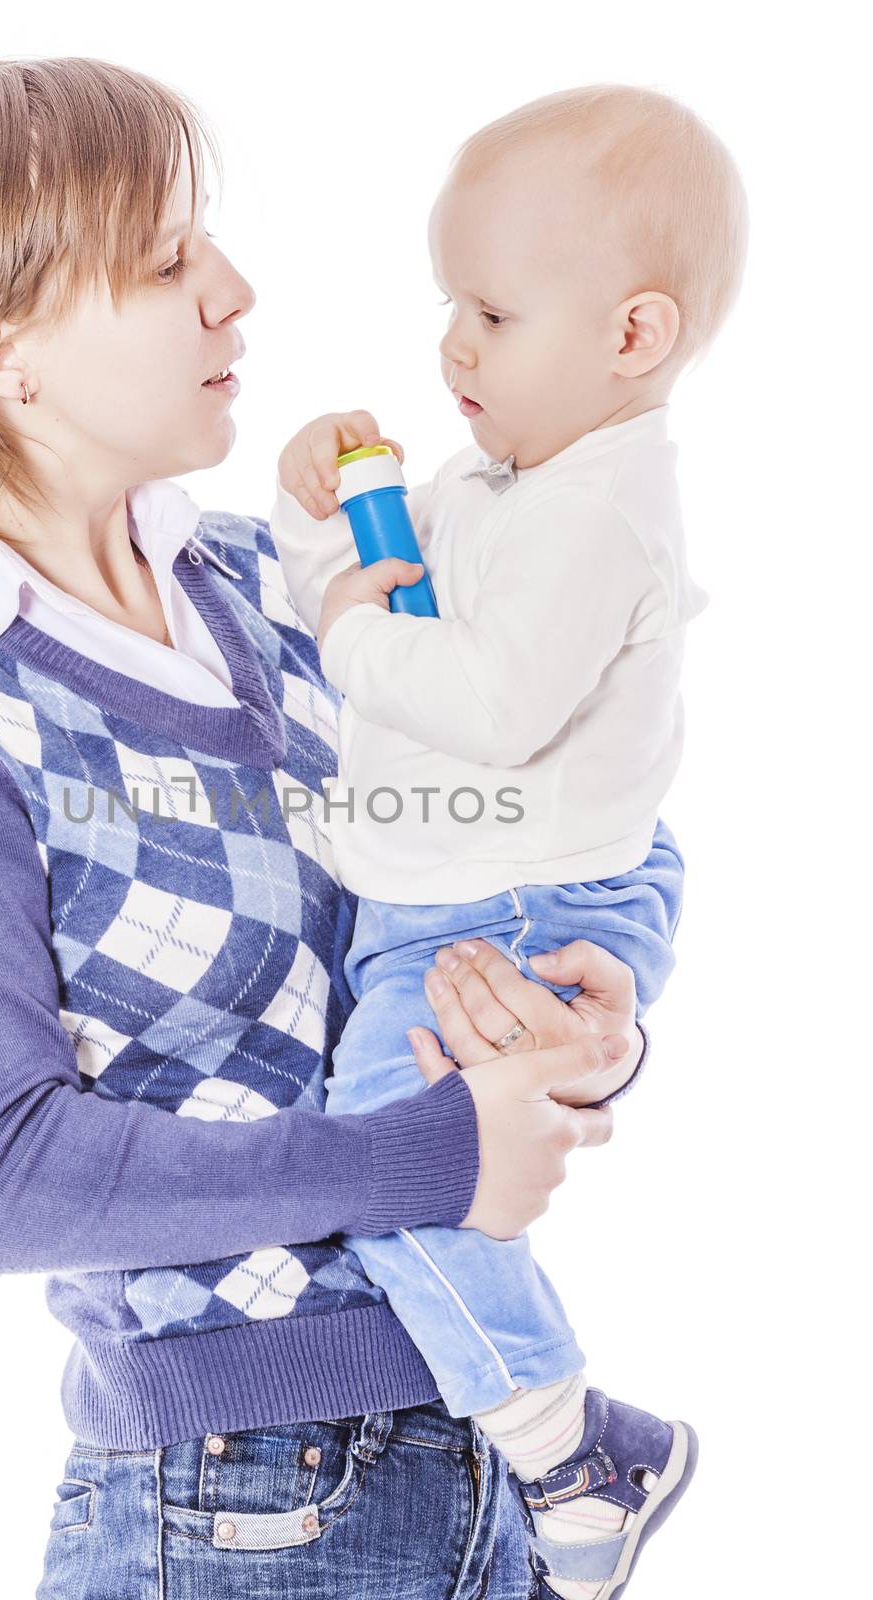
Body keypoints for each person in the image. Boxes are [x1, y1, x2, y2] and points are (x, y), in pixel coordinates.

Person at [0, 57, 645, 1598]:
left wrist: (593, 1015)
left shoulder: (276, 591)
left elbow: (544, 821)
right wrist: (430, 1158)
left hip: (487, 1452)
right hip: (240, 1507)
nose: (235, 293)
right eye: (169, 261)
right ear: (10, 354)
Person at [269, 85, 747, 1599]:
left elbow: (478, 698)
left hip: (513, 902)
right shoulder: (507, 482)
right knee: (391, 1164)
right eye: (447, 307)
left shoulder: (597, 514)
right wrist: (319, 531)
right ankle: (564, 1430)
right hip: (458, 884)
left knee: (402, 1172)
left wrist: (348, 622)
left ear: (633, 336)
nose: (450, 349)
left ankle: (567, 1441)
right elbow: (381, 606)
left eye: (490, 312)